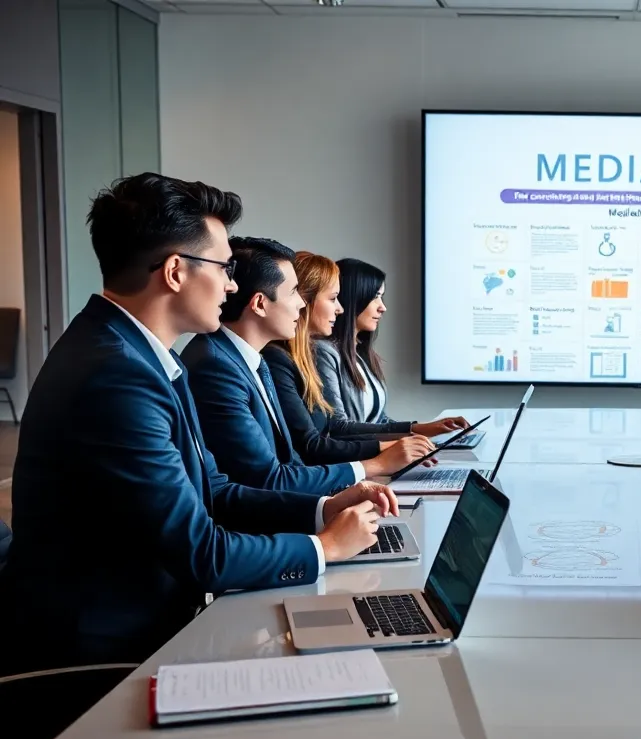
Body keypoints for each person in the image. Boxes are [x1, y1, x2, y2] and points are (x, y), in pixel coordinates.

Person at [0, 173, 398, 674]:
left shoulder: (144, 354)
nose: (232, 284)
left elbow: (215, 489)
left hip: (154, 623)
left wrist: (323, 508)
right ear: (174, 272)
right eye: (224, 267)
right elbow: (201, 552)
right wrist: (325, 547)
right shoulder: (116, 374)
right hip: (103, 653)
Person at [182, 237, 427, 494]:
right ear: (259, 304)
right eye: (293, 293)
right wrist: (372, 466)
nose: (301, 303)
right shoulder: (219, 366)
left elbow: (290, 462)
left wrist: (333, 501)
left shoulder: (251, 360)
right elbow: (269, 479)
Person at [262, 251, 448, 466]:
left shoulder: (308, 358)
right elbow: (322, 439)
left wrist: (409, 439)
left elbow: (369, 422)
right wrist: (396, 445)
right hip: (335, 473)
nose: (339, 308)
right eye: (333, 299)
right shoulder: (287, 359)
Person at [318, 257, 468, 434]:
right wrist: (412, 434)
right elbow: (338, 427)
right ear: (354, 298)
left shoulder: (360, 354)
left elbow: (378, 420)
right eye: (375, 297)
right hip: (361, 458)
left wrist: (424, 429)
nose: (382, 307)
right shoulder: (324, 352)